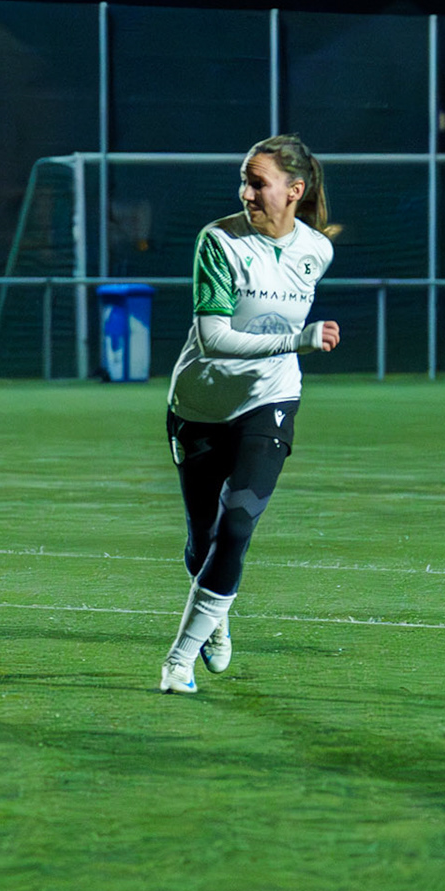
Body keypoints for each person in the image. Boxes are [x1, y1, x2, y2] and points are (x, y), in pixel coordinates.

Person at [158, 134, 341, 694]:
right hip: (199, 405)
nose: (246, 193)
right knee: (204, 540)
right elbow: (212, 339)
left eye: (258, 183)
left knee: (236, 526)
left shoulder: (317, 251)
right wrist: (299, 339)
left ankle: (178, 661)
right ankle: (214, 617)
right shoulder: (219, 241)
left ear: (294, 190)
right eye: (244, 182)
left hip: (269, 401)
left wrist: (292, 350)